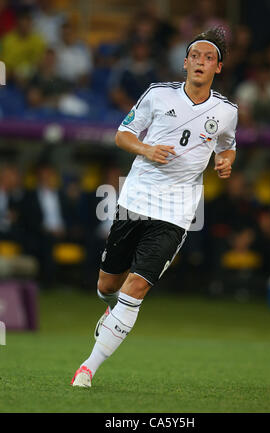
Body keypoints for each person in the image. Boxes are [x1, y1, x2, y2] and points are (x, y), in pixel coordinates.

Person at [71, 27, 238, 387]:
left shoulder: (226, 111)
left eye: (209, 58)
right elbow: (122, 134)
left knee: (136, 288)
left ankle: (87, 368)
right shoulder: (157, 95)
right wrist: (147, 149)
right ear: (185, 62)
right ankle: (107, 307)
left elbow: (227, 145)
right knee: (107, 283)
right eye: (195, 55)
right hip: (135, 200)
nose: (200, 62)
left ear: (218, 68)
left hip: (177, 211)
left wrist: (226, 161)